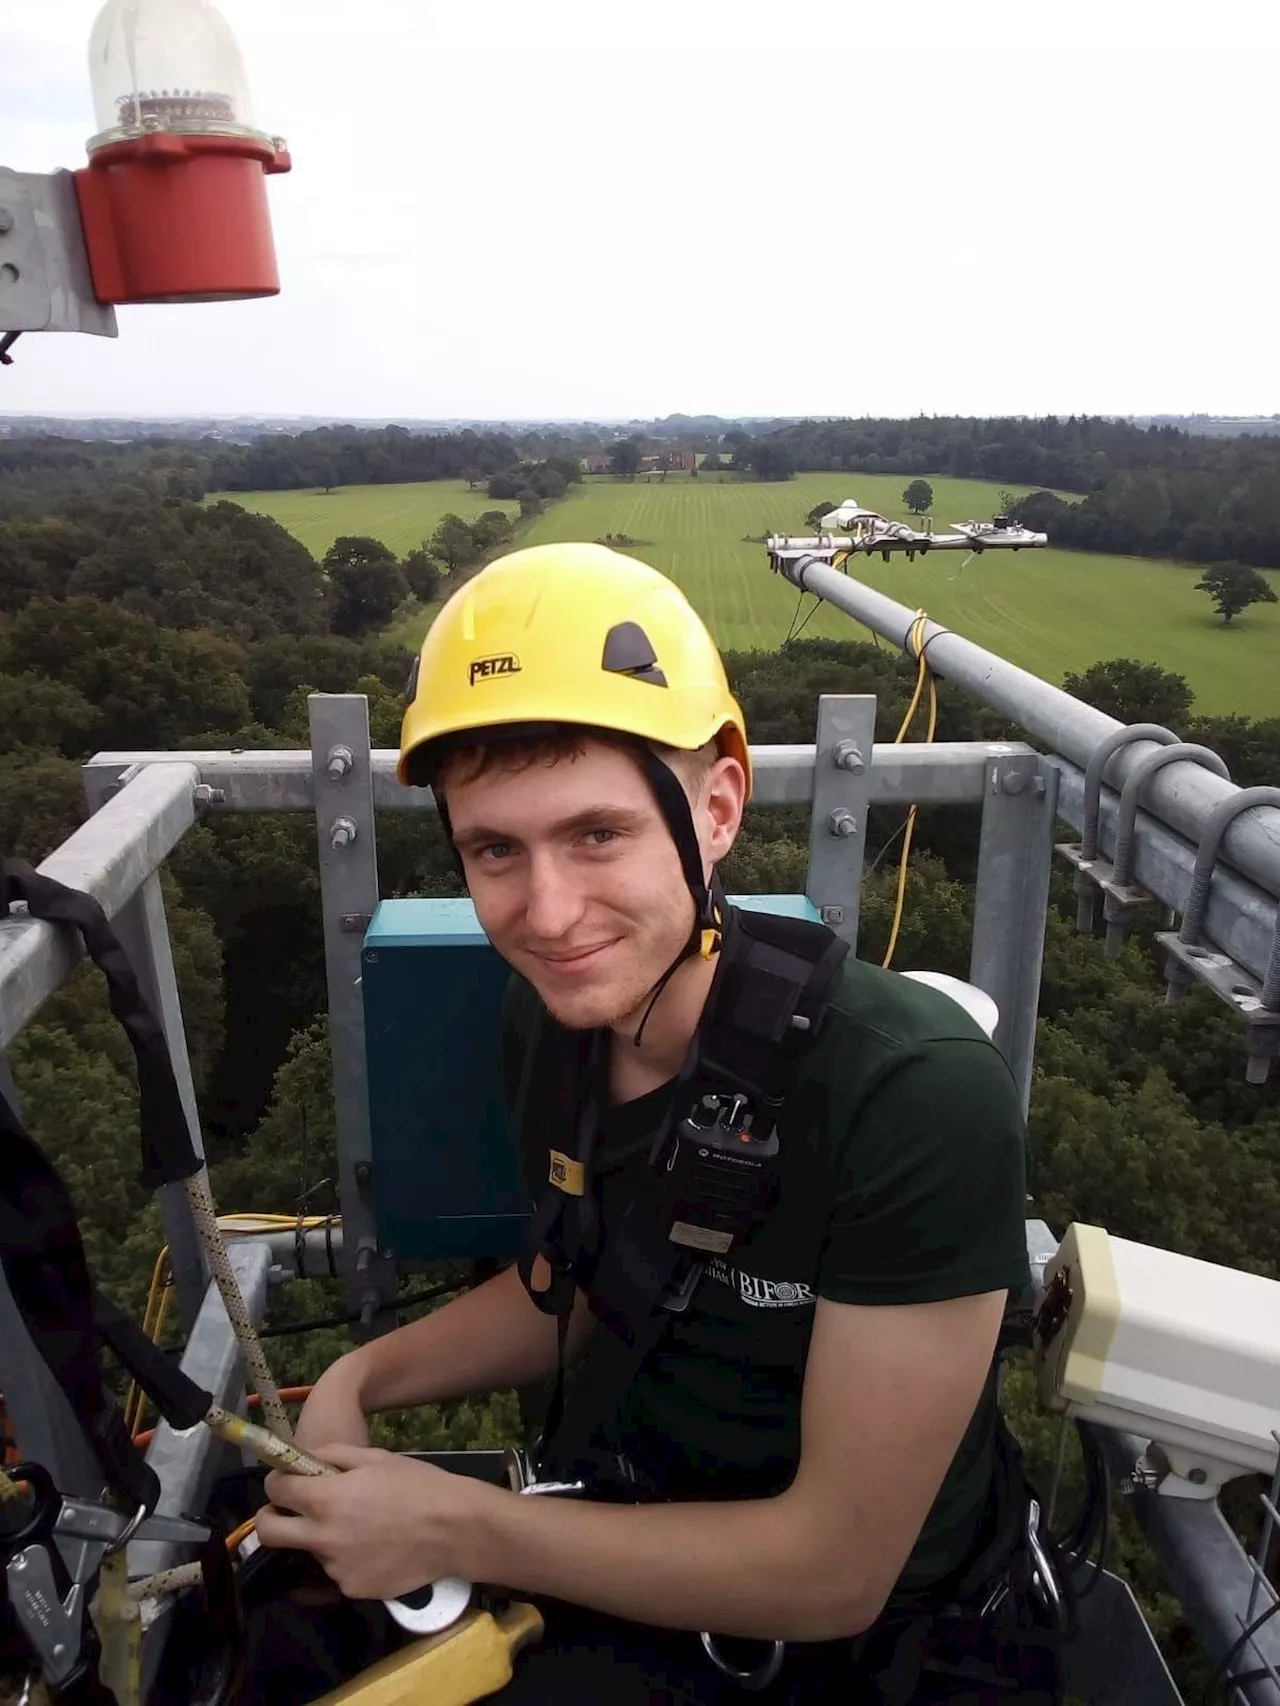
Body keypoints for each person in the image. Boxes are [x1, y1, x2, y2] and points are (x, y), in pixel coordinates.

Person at [254, 542, 1049, 1704]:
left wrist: (463, 1525)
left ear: (717, 806)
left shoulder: (910, 1095)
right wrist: (362, 1375)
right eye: (494, 850)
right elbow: (584, 1278)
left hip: (867, 1656)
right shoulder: (560, 1026)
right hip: (622, 1563)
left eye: (597, 834)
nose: (547, 912)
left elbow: (834, 1569)